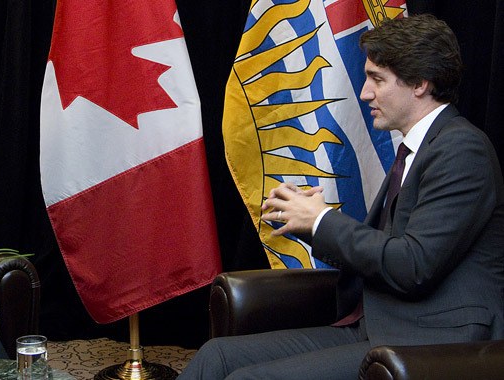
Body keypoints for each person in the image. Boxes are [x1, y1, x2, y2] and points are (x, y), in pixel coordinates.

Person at [178, 14, 504, 379]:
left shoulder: (461, 149)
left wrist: (321, 220)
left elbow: (412, 265)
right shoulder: (418, 149)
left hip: (429, 341)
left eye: (377, 80)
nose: (365, 93)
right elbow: (386, 249)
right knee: (217, 356)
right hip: (375, 327)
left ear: (419, 83)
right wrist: (304, 220)